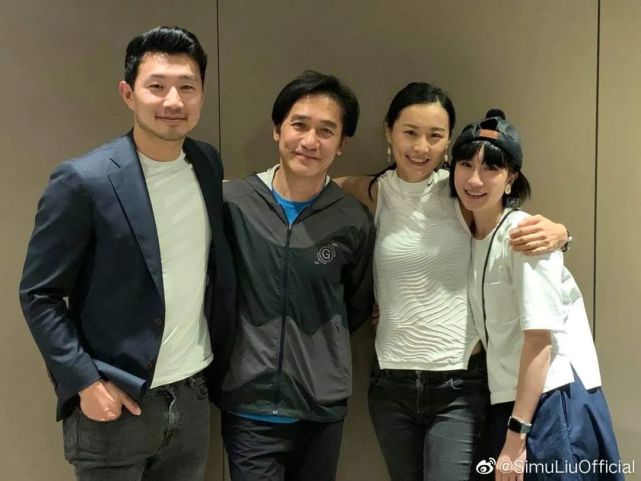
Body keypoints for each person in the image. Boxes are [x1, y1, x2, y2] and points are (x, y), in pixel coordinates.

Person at [19, 26, 235, 481]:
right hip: (117, 403)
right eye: (157, 86)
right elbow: (39, 294)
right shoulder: (84, 180)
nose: (173, 101)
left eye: (187, 87)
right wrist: (85, 382)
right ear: (128, 94)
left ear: (202, 95)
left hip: (192, 397)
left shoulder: (206, 162)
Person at [335, 82, 570, 481]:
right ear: (389, 132)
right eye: (410, 132)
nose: (420, 147)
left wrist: (563, 234)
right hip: (390, 384)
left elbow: (508, 227)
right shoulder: (375, 192)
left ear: (448, 142)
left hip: (458, 386)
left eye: (434, 135)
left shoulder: (462, 189)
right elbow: (315, 184)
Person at [217, 70, 375, 481]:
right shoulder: (234, 204)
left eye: (326, 131)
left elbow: (355, 305)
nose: (310, 141)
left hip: (320, 405)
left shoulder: (351, 219)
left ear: (341, 144)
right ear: (277, 129)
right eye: (299, 125)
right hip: (248, 403)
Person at [451, 110, 622, 481]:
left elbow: (539, 342)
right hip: (511, 400)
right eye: (465, 164)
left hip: (550, 400)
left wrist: (517, 436)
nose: (475, 179)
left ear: (511, 178)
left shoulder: (526, 237)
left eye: (491, 168)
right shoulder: (472, 235)